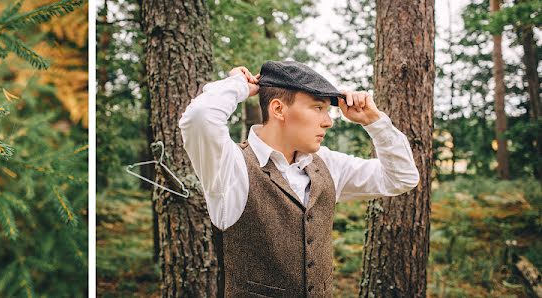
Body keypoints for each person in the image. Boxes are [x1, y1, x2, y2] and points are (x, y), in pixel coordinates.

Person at [178, 61, 420, 297]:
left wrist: (374, 122)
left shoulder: (327, 163)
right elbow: (199, 117)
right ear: (278, 109)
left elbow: (401, 178)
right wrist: (238, 85)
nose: (328, 121)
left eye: (327, 110)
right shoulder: (231, 167)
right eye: (317, 108)